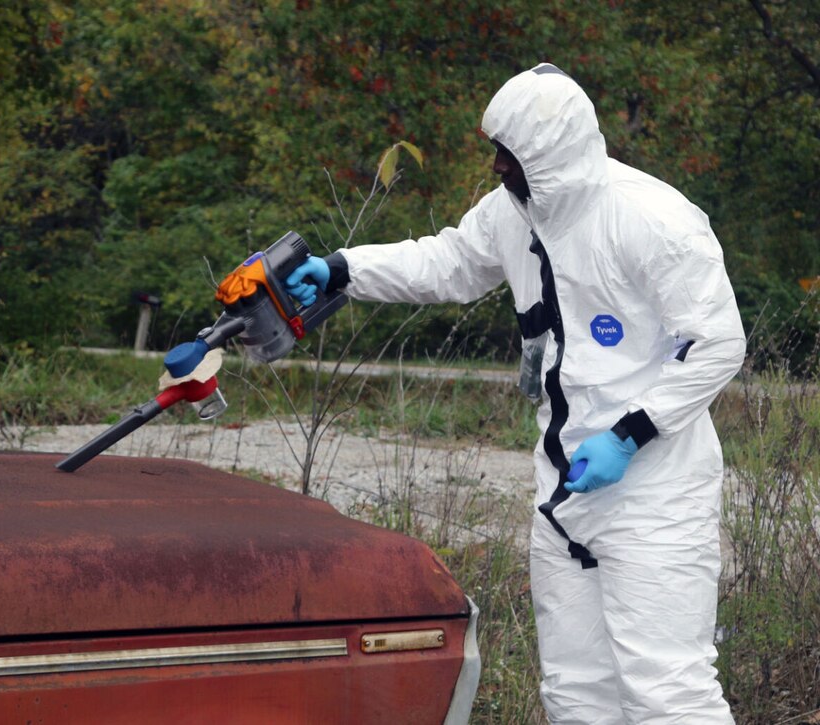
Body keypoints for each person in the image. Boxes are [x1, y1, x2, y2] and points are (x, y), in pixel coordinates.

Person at [284, 63, 745, 723]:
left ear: (552, 156)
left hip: (654, 496)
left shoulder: (654, 220)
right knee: (576, 692)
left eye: (509, 153)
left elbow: (718, 342)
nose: (496, 166)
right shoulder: (514, 214)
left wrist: (628, 435)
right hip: (564, 491)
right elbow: (445, 261)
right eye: (496, 150)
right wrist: (341, 269)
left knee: (667, 693)